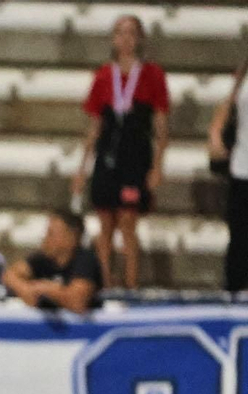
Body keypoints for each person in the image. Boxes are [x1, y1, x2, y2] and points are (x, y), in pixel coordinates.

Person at [71, 14, 170, 290]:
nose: (125, 39)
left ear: (140, 38)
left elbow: (161, 127)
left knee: (128, 222)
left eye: (131, 33)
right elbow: (94, 127)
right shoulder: (104, 76)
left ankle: (131, 286)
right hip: (107, 159)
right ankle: (104, 284)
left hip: (136, 160)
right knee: (105, 226)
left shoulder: (152, 75)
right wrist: (82, 168)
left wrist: (158, 166)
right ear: (113, 39)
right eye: (120, 33)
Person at [3, 208, 103, 314]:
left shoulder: (86, 260)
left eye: (51, 234)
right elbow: (9, 275)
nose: (46, 238)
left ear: (71, 237)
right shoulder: (43, 259)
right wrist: (24, 289)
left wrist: (45, 288)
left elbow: (77, 302)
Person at [208, 55, 248, 292]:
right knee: (239, 238)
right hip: (242, 166)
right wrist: (216, 134)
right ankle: (234, 293)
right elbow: (228, 104)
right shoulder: (244, 69)